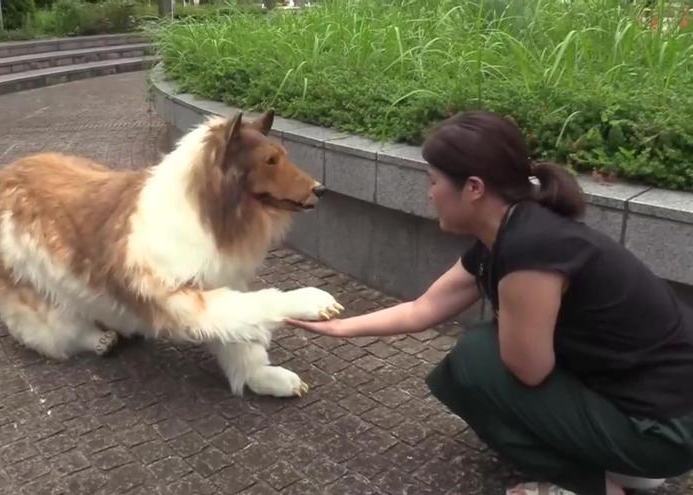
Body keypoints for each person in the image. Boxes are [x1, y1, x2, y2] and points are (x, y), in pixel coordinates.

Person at [285, 111, 693, 495]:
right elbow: (423, 309)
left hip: (665, 429)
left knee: (476, 361)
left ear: (474, 188)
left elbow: (529, 372)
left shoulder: (530, 249)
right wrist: (339, 327)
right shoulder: (511, 231)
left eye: (433, 182)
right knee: (478, 360)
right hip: (654, 409)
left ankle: (596, 484)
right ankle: (626, 465)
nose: (429, 194)